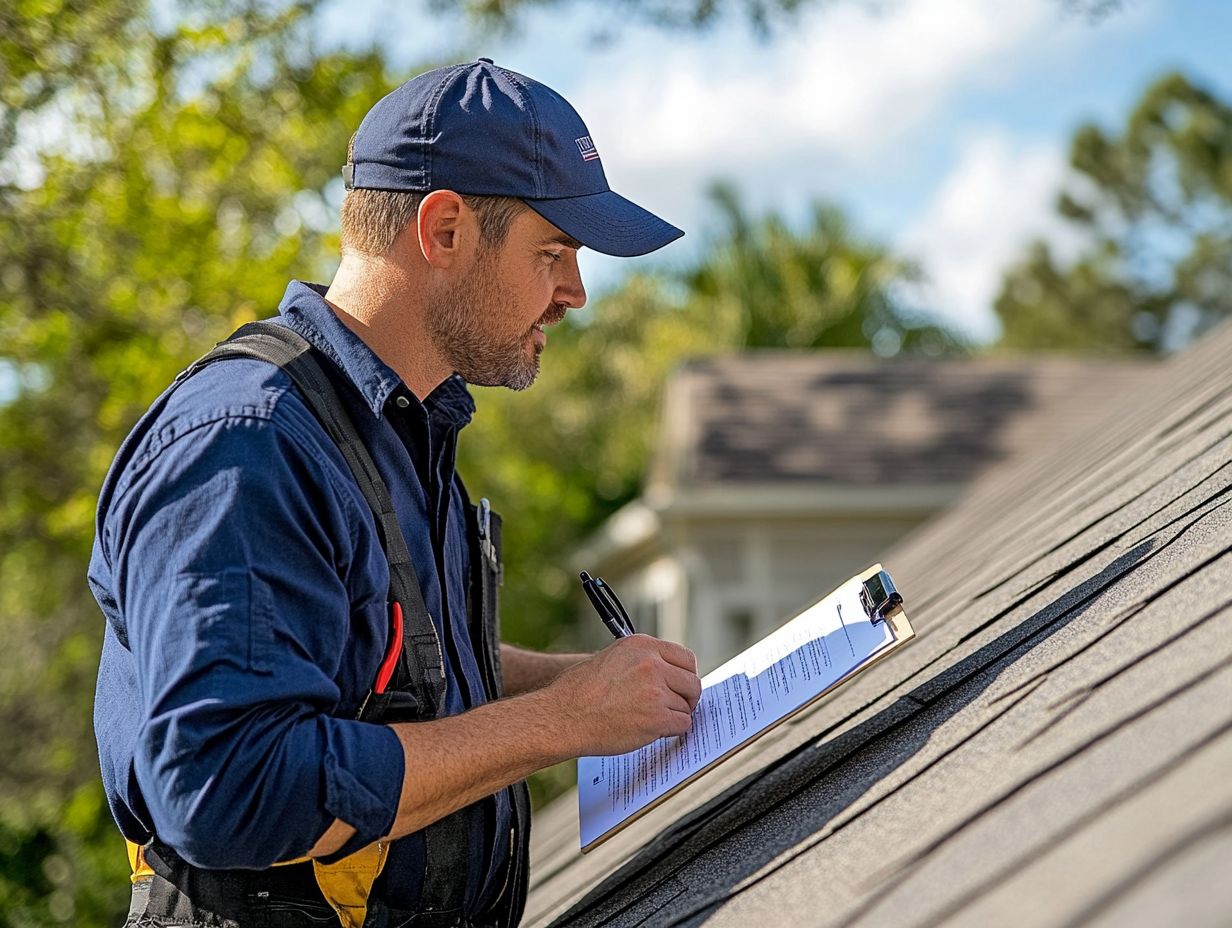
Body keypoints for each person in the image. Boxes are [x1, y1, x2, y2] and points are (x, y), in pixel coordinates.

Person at [89, 58, 701, 928]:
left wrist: (586, 685)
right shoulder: (245, 445)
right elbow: (229, 787)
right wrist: (563, 720)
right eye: (554, 253)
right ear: (444, 229)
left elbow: (397, 673)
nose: (576, 293)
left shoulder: (400, 427)